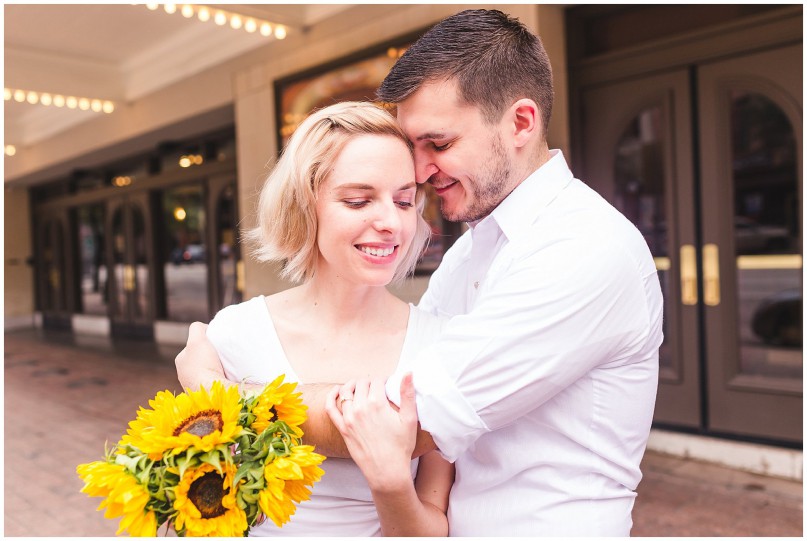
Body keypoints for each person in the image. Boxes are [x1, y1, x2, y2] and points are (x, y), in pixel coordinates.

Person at [177, 9, 663, 536]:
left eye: (440, 144)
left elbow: (401, 422)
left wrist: (216, 397)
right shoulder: (466, 256)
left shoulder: (582, 248)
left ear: (521, 123)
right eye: (416, 150)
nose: (424, 171)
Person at [202, 100, 454, 536]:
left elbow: (432, 530)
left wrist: (389, 482)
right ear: (304, 206)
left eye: (403, 200)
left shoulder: (441, 345)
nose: (391, 222)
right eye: (358, 201)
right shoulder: (234, 334)